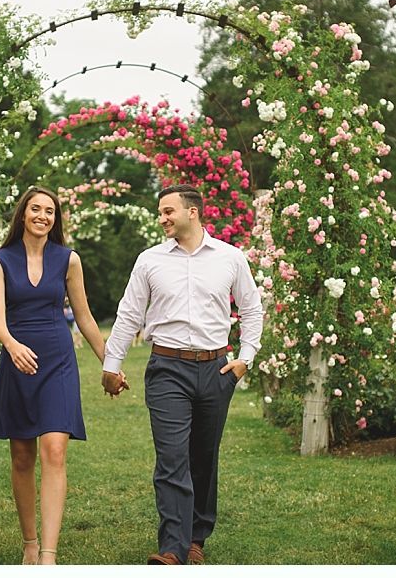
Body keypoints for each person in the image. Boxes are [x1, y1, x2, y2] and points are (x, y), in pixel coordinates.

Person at [101, 184, 264, 565]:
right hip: (167, 369)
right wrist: (112, 366)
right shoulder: (150, 261)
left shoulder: (230, 257)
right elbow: (128, 315)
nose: (162, 218)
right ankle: (172, 549)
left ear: (193, 212)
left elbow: (252, 309)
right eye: (160, 212)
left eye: (168, 211)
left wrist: (245, 358)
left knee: (203, 457)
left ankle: (196, 538)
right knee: (172, 457)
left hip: (216, 368)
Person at [0, 185, 118, 565]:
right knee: (22, 457)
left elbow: (85, 317)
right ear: (23, 214)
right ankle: (29, 543)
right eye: (36, 209)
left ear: (56, 219)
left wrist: (111, 361)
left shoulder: (68, 259)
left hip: (57, 361)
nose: (42, 216)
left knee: (54, 450)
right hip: (18, 360)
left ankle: (49, 556)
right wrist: (11, 345)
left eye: (50, 212)